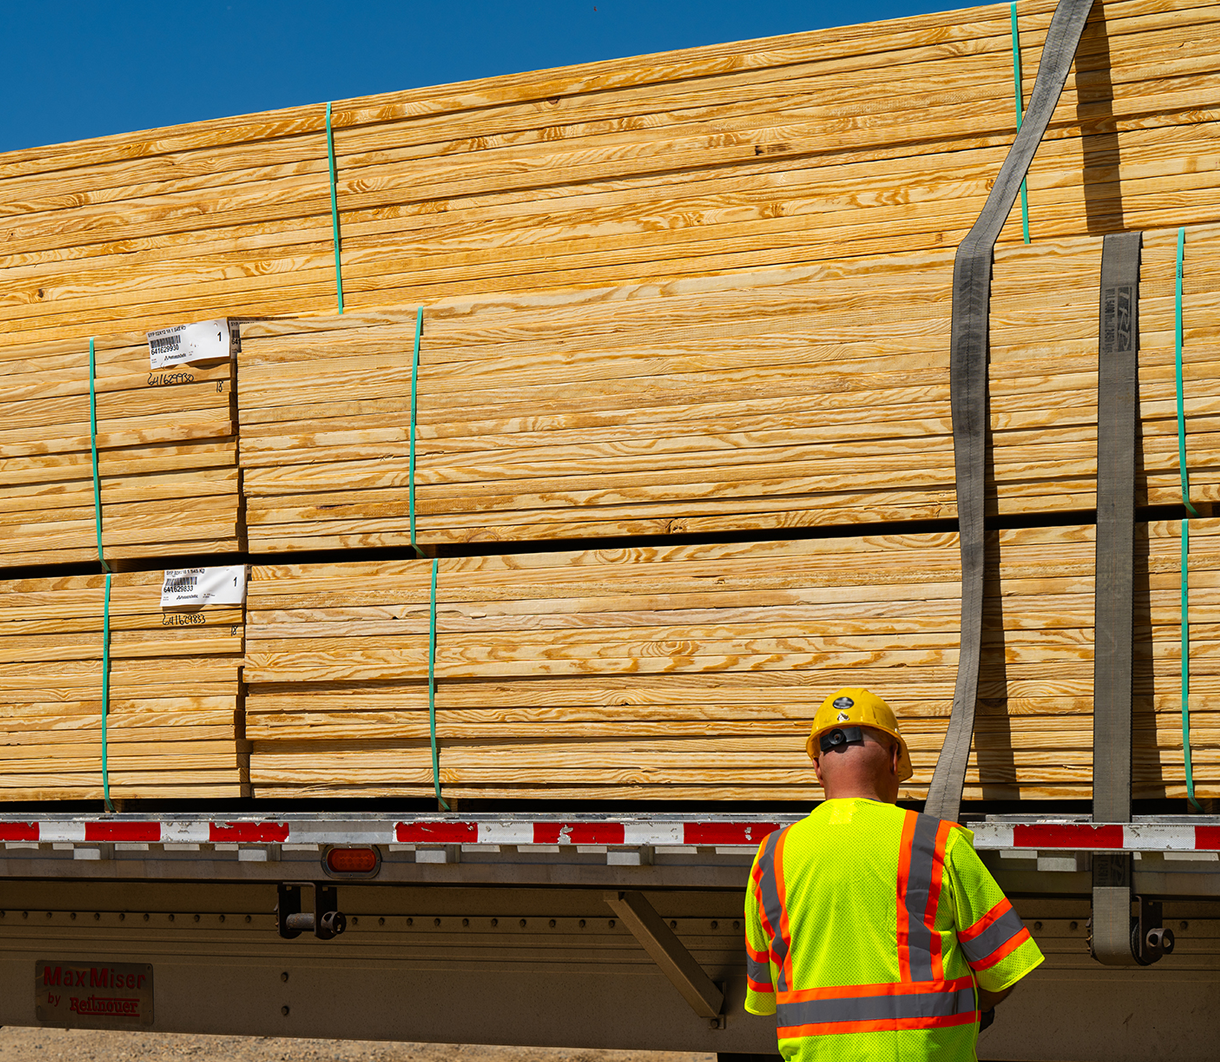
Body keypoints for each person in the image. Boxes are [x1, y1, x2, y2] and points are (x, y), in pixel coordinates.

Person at [744, 688, 1044, 1061]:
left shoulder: (771, 856)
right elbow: (1004, 965)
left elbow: (764, 993)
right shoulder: (937, 842)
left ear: (817, 767)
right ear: (895, 758)